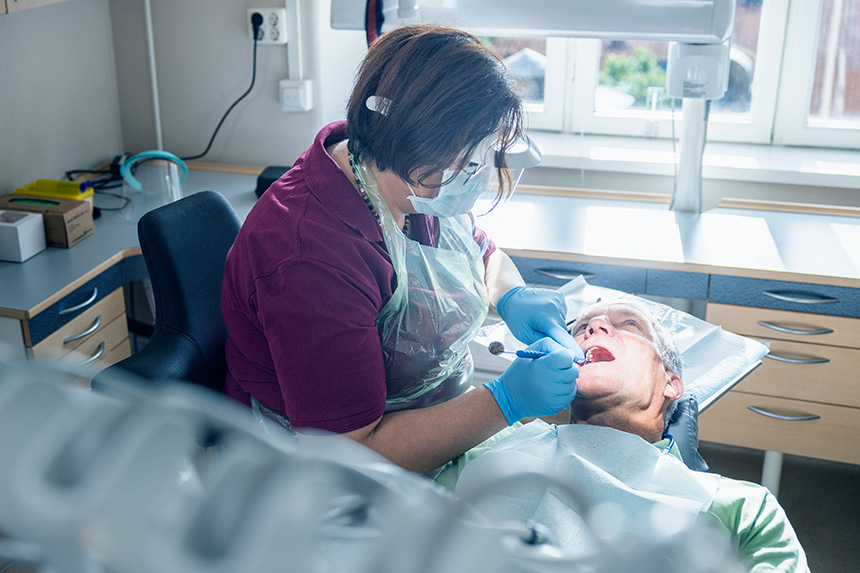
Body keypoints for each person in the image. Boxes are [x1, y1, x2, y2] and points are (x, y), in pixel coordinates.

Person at [221, 25, 583, 474]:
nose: (476, 176)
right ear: (417, 143)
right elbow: (351, 453)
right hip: (315, 470)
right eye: (469, 161)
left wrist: (511, 293)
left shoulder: (407, 178)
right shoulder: (310, 258)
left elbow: (480, 253)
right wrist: (503, 402)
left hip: (422, 423)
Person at [436, 300, 809, 572]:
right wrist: (496, 402)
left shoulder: (743, 509)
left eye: (629, 325)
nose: (593, 328)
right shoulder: (486, 445)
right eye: (580, 328)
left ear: (672, 384)